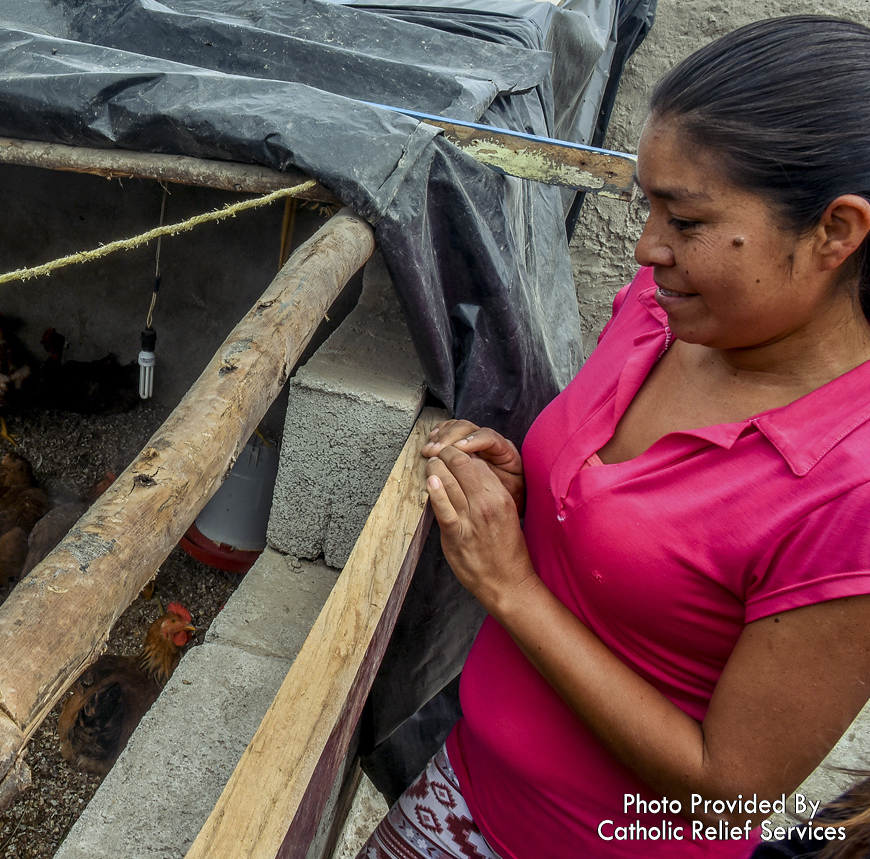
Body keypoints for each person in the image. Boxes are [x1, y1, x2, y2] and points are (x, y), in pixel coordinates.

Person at [356, 15, 870, 859]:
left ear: (837, 231)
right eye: (646, 204)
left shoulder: (850, 488)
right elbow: (628, 534)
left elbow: (729, 796)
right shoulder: (669, 312)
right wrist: (531, 495)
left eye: (687, 220)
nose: (647, 246)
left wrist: (511, 585)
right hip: (460, 796)